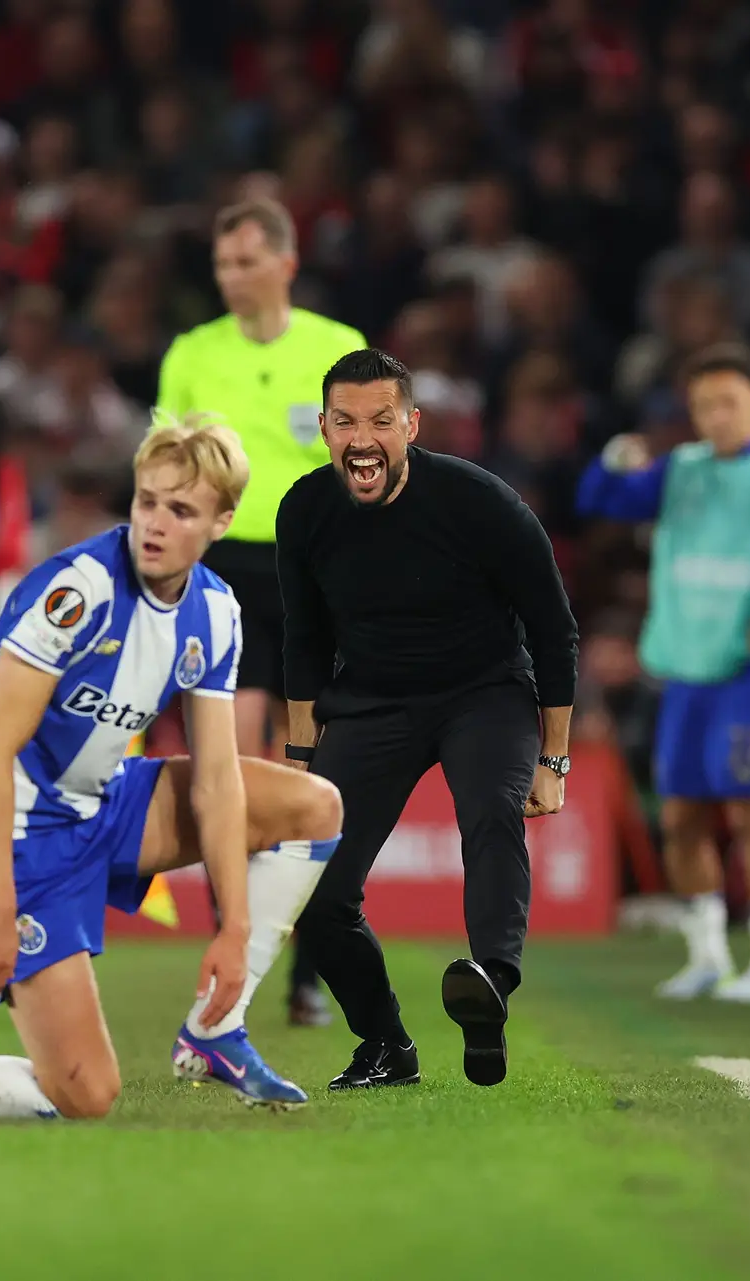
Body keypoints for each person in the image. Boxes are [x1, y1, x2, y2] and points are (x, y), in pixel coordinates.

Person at [0, 415, 346, 1116]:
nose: (155, 524)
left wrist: (235, 928)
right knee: (88, 1094)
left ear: (221, 522)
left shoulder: (217, 611)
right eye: (147, 501)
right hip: (19, 829)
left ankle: (216, 1028)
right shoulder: (77, 594)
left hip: (106, 803)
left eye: (181, 509)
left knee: (316, 806)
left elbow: (219, 780)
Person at [280, 349, 579, 1092]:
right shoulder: (305, 509)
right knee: (312, 887)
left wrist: (554, 760)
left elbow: (553, 627)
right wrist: (297, 758)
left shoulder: (481, 501)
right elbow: (303, 641)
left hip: (486, 694)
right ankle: (385, 1044)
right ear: (322, 427)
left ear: (410, 425)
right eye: (344, 420)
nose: (361, 438)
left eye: (381, 420)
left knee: (489, 813)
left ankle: (492, 984)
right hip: (372, 700)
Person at [154, 197, 364, 1027]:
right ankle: (232, 944)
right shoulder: (192, 355)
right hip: (228, 576)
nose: (232, 277)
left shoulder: (337, 347)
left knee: (312, 769)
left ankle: (309, 965)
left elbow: (374, 461)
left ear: (285, 261)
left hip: (316, 572)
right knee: (231, 766)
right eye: (221, 264)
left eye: (245, 261)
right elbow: (167, 466)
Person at [577, 343, 750, 1003]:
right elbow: (601, 500)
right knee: (680, 816)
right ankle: (707, 955)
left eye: (729, 401)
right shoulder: (681, 468)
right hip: (685, 669)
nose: (716, 415)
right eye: (704, 404)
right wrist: (620, 453)